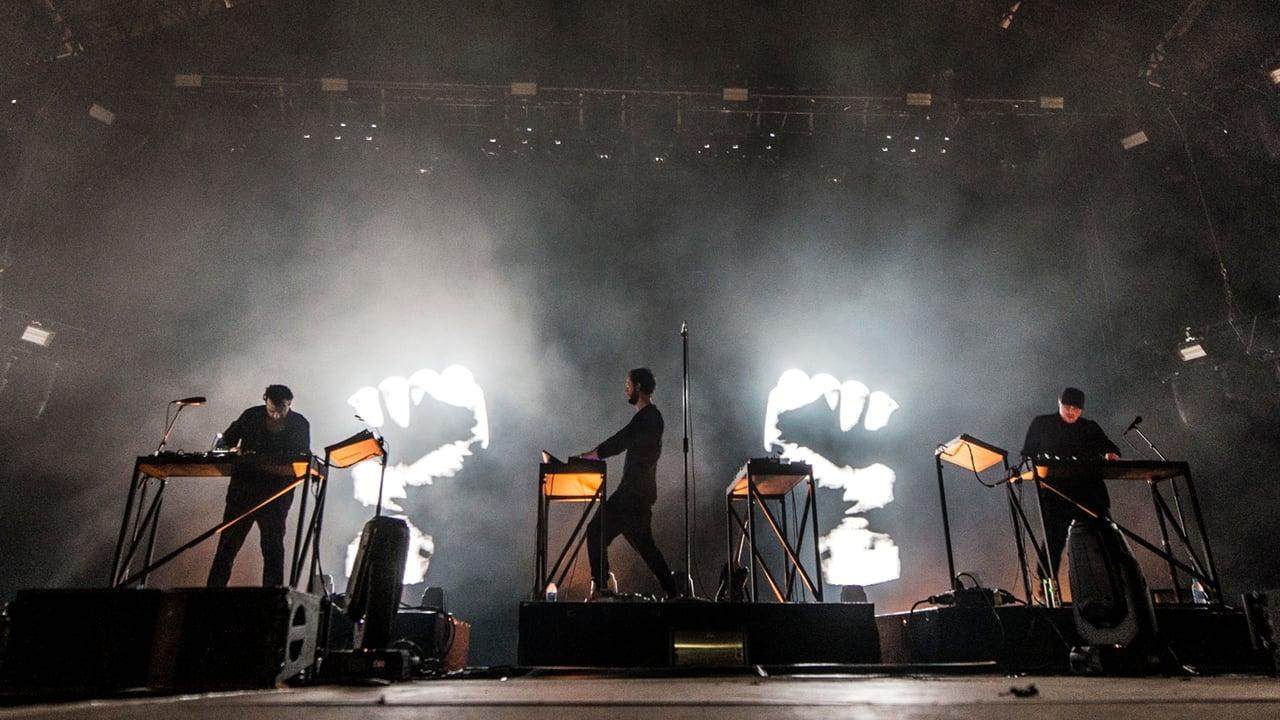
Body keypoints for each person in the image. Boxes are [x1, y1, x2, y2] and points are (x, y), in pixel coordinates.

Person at [577, 368, 681, 599]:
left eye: (628, 384)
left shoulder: (650, 417)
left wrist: (592, 455)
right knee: (646, 546)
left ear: (639, 387)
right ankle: (674, 593)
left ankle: (603, 589)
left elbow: (621, 439)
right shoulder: (647, 418)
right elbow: (624, 438)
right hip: (637, 494)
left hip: (632, 495)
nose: (625, 388)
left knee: (596, 531)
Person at [207, 384, 311, 587]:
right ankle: (210, 597)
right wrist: (231, 450)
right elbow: (224, 442)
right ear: (265, 401)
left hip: (276, 494)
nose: (276, 416)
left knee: (272, 550)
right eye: (271, 410)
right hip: (243, 492)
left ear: (290, 404)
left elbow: (301, 460)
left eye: (281, 410)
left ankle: (272, 602)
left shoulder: (299, 424)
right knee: (226, 548)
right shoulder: (251, 416)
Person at [1020, 386, 1120, 585]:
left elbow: (1110, 446)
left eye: (1076, 408)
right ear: (1059, 403)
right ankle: (1047, 584)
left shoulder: (1089, 427)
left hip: (1089, 491)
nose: (1071, 411)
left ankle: (1114, 579)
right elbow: (1027, 453)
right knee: (1054, 539)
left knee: (1106, 533)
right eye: (1067, 406)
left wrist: (1110, 453)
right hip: (1057, 491)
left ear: (1081, 410)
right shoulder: (1042, 424)